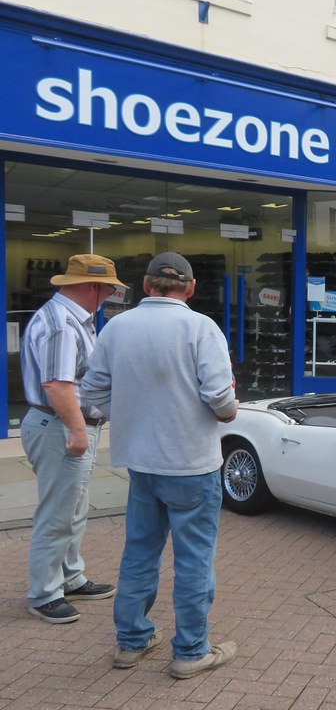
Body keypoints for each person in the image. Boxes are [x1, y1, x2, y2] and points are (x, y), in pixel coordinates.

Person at [81, 252, 239, 678]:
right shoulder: (201, 327)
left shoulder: (117, 327)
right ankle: (190, 651)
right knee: (193, 561)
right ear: (189, 289)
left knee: (139, 553)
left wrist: (127, 414)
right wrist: (228, 413)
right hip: (191, 462)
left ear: (146, 286)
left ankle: (131, 642)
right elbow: (221, 398)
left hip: (141, 463)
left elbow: (91, 392)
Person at [20, 253, 125, 624]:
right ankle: (44, 593)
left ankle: (69, 575)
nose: (111, 294)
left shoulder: (66, 318)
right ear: (93, 287)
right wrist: (79, 429)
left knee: (73, 507)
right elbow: (57, 385)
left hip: (62, 425)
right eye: (109, 288)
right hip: (61, 426)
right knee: (58, 511)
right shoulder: (64, 324)